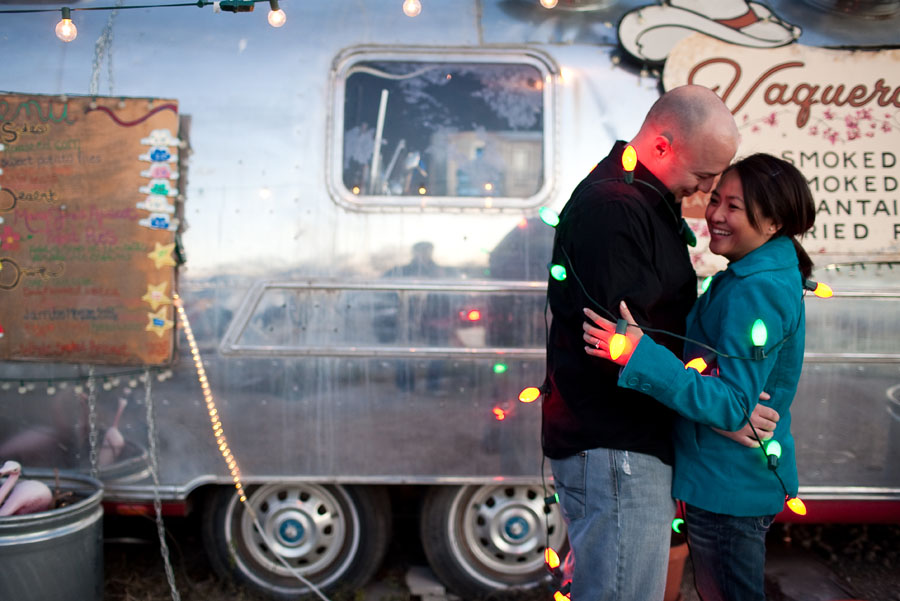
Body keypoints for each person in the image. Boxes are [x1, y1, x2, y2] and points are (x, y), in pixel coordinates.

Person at [542, 84, 780, 601]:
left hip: (621, 447)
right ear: (663, 146)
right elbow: (622, 347)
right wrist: (721, 408)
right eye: (703, 175)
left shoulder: (642, 201)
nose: (707, 191)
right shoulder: (616, 209)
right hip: (615, 447)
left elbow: (651, 339)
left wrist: (722, 400)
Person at [582, 153, 816, 601]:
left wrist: (638, 355)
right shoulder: (755, 272)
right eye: (715, 200)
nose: (715, 215)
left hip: (728, 489)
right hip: (727, 479)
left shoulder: (757, 287)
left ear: (773, 223)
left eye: (734, 207)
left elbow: (734, 405)